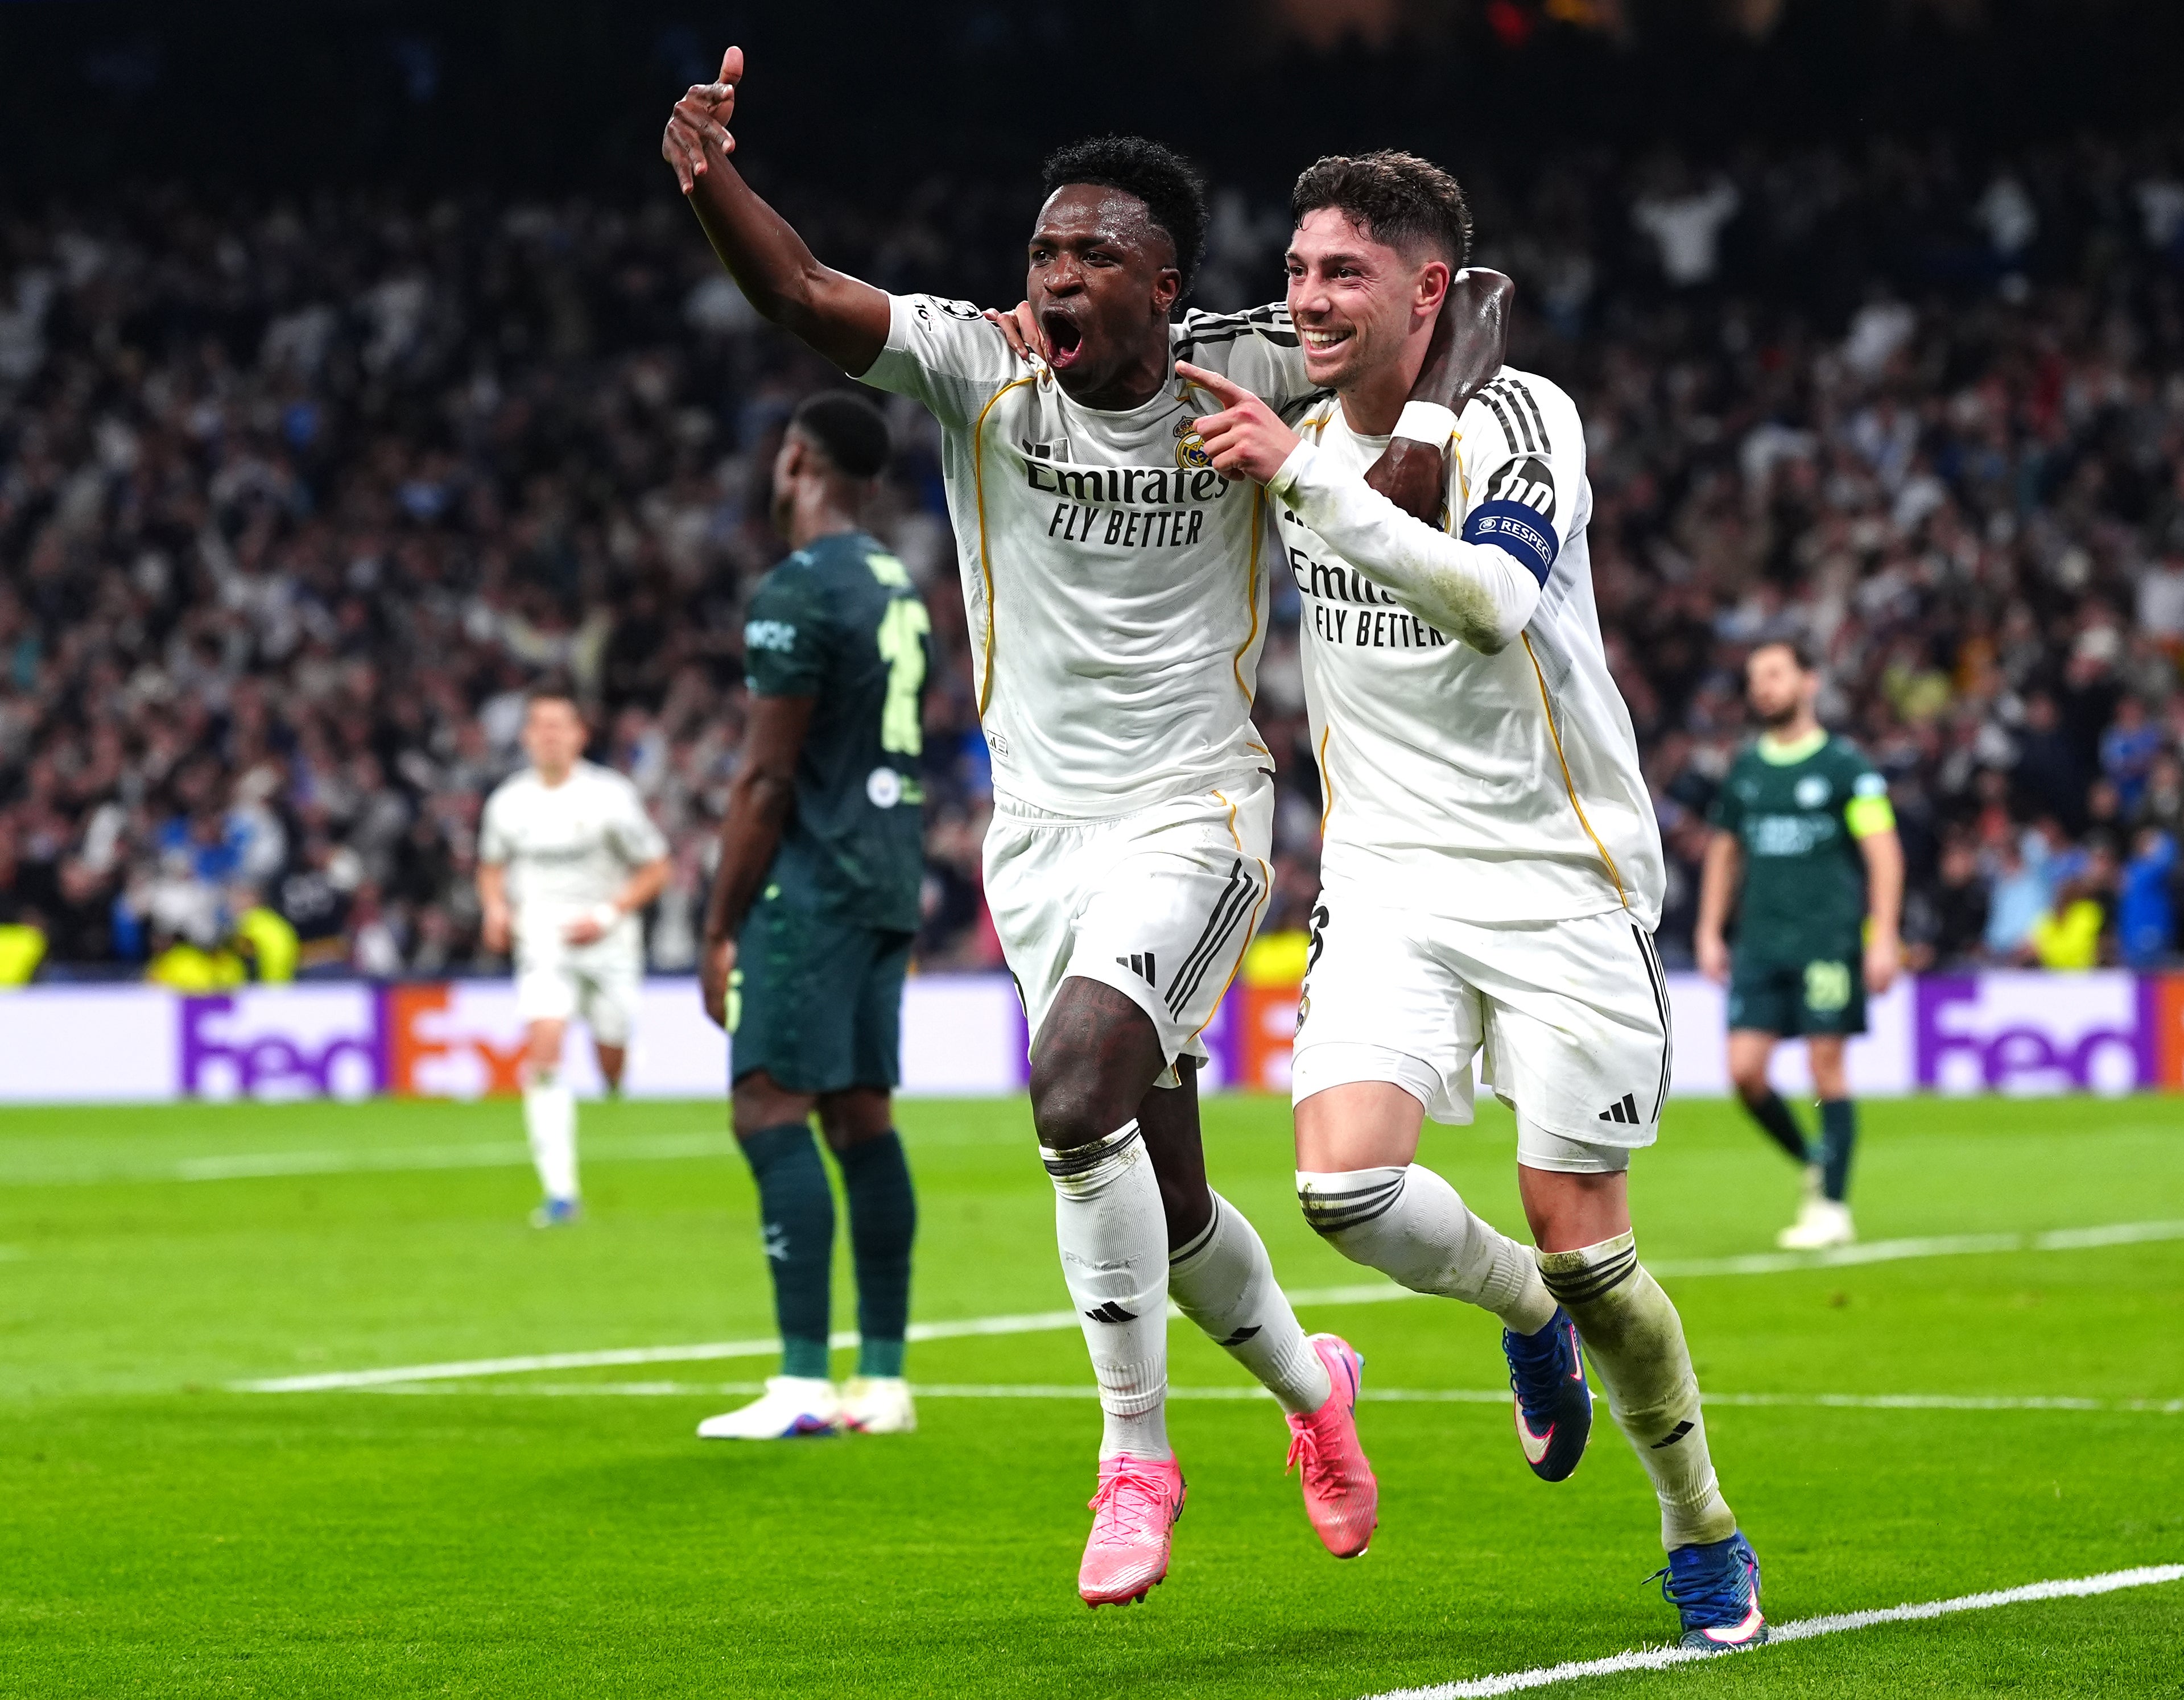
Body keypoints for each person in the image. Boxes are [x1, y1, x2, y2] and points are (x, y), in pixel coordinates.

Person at [660, 49, 1512, 1604]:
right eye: (1041, 252)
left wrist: (1412, 426)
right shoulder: (978, 368)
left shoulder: (1249, 372)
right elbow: (799, 292)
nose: (1050, 277)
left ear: (1163, 286)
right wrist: (710, 174)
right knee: (1167, 1199)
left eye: (1088, 256)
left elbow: (1453, 325)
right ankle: (1320, 1398)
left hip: (1197, 810)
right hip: (1041, 838)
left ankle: (1136, 1457)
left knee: (1070, 1099)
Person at [1177, 150, 1768, 1654]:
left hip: (1562, 874)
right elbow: (1140, 334)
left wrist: (1307, 471)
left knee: (1590, 1238)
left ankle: (1698, 1520)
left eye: (1344, 275)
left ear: (1425, 289)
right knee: (1342, 1191)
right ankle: (1524, 1317)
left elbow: (1492, 600)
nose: (1309, 299)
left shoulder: (1525, 416)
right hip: (1386, 877)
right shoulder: (1292, 397)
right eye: (1300, 269)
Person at [693, 393, 928, 1443]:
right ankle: (880, 1379)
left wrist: (717, 924)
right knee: (861, 1120)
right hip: (888, 870)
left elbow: (762, 779)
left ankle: (798, 1384)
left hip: (817, 878)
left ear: (794, 459)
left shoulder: (795, 589)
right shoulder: (893, 579)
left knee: (767, 1108)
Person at [1694, 641, 1904, 1252]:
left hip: (1826, 941)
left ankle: (1832, 1206)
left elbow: (1882, 852)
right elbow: (1724, 852)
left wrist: (1883, 934)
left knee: (1825, 1066)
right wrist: (1710, 930)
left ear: (1807, 682)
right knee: (1744, 1073)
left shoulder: (1845, 767)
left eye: (1775, 674)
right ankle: (1816, 1158)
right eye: (1755, 676)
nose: (1763, 687)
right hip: (1759, 942)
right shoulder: (1746, 769)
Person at [477, 685, 672, 1226]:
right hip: (543, 945)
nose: (548, 735)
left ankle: (617, 1068)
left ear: (580, 735)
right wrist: (494, 909)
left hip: (608, 945)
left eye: (559, 725)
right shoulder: (509, 802)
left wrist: (607, 916)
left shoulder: (610, 797)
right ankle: (561, 1192)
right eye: (539, 725)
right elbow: (490, 865)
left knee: (610, 1055)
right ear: (525, 737)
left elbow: (657, 867)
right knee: (543, 1052)